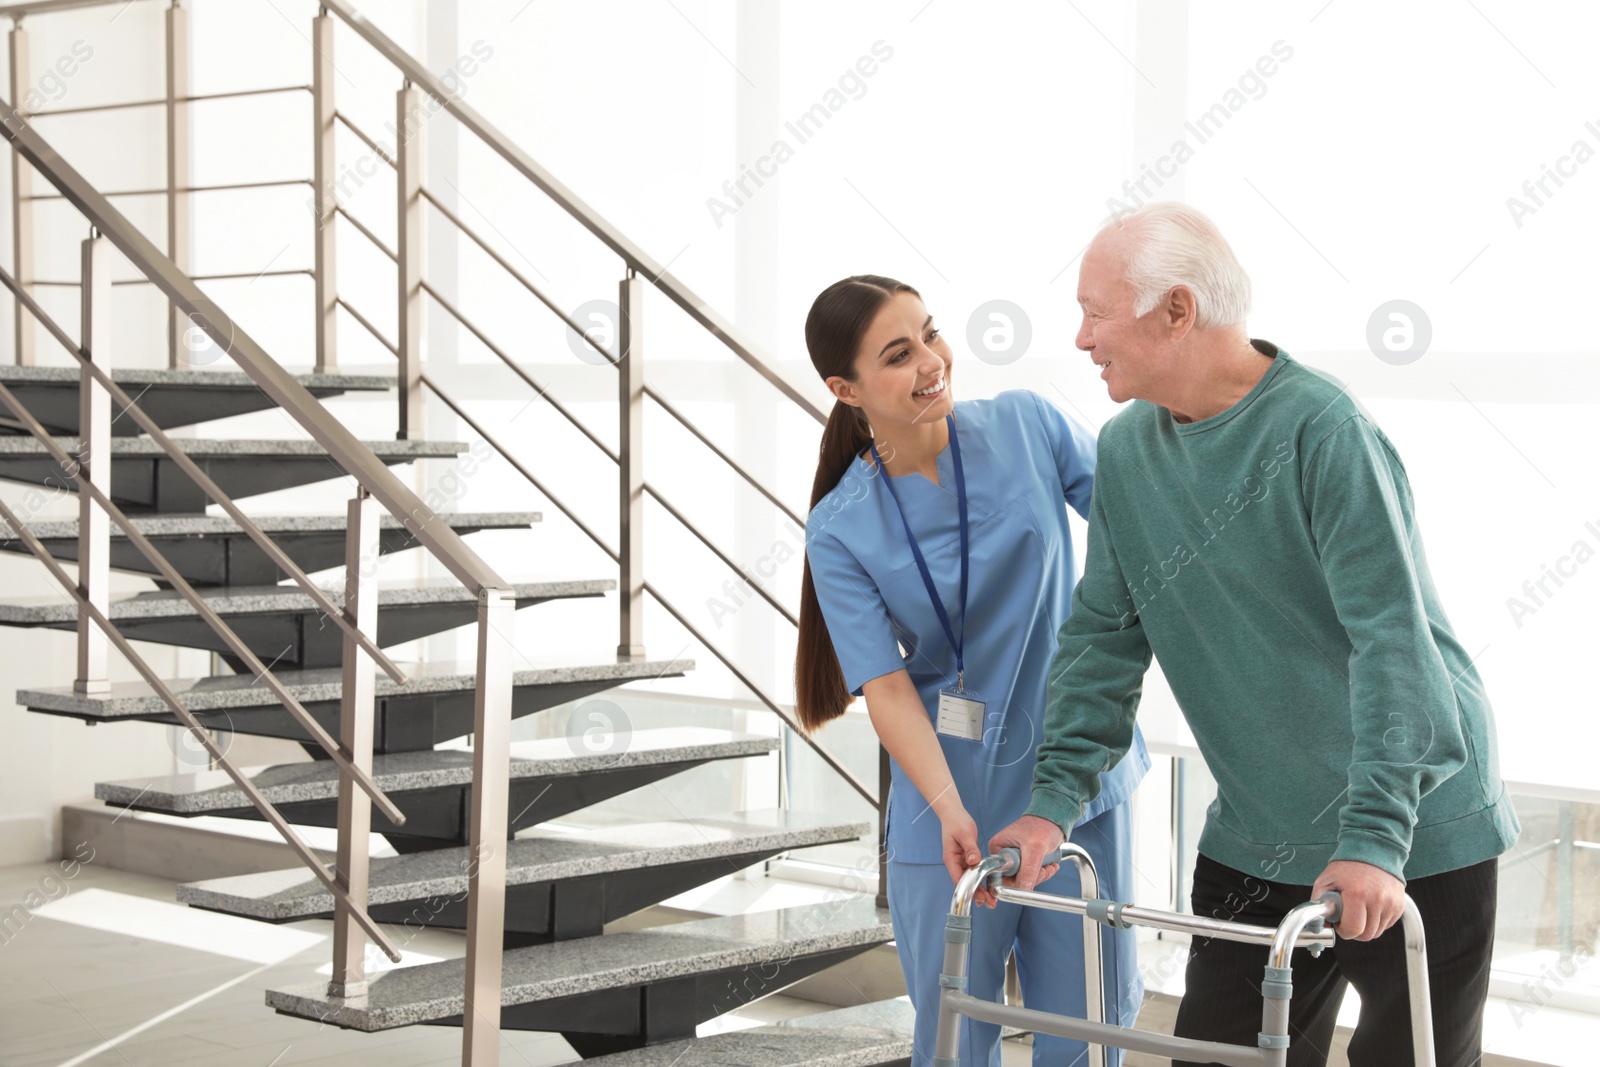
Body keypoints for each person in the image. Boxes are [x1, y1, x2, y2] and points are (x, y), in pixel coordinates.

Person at [990, 203, 1520, 1067]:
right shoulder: (1128, 450)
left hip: (1416, 827)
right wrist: (1053, 801)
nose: (1082, 337)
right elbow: (1103, 637)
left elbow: (1392, 639)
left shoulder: (1322, 430)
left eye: (1096, 310)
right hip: (1257, 832)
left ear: (1176, 311)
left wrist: (1376, 838)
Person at [796, 274, 1151, 1067]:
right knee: (956, 1038)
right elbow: (884, 687)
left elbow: (1148, 526)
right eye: (898, 353)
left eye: (930, 333)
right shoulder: (840, 526)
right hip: (944, 803)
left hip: (1078, 785)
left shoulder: (1027, 426)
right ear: (844, 388)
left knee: (1088, 1034)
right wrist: (952, 808)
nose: (931, 361)